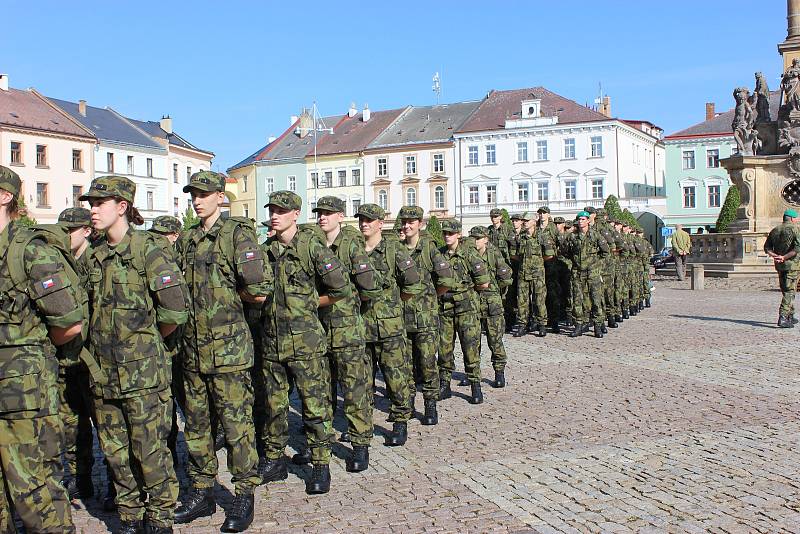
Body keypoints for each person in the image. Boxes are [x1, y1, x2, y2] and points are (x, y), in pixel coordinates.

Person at [81, 175, 188, 533]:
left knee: (149, 450)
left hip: (143, 374)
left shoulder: (149, 249)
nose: (93, 210)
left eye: (100, 204)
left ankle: (159, 517)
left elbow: (173, 311)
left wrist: (146, 344)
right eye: (91, 204)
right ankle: (129, 514)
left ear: (122, 207)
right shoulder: (94, 254)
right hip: (103, 374)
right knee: (114, 452)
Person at [175, 171, 269, 532]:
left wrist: (230, 297)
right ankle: (201, 492)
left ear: (219, 196)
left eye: (203, 194)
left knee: (236, 427)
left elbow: (259, 290)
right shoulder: (186, 239)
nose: (196, 200)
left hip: (228, 353)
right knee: (197, 427)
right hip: (193, 352)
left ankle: (244, 493)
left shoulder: (236, 235)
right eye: (193, 195)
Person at [0, 165, 81, 533]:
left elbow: (69, 322)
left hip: (25, 398)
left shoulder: (31, 250)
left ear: (5, 196)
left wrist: (32, 360)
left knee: (36, 496)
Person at [258, 191, 348, 495]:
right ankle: (274, 460)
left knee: (315, 407)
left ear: (295, 214)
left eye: (282, 210)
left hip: (306, 344)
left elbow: (340, 288)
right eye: (272, 210)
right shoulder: (264, 251)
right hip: (272, 343)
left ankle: (320, 464)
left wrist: (312, 302)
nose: (275, 215)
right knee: (274, 406)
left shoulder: (313, 248)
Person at [292, 197, 379, 467]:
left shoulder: (351, 246)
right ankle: (320, 441)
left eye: (328, 213)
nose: (322, 218)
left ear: (340, 216)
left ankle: (360, 443)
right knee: (320, 393)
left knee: (354, 390)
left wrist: (350, 309)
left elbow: (370, 288)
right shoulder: (311, 245)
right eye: (319, 213)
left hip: (346, 332)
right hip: (316, 330)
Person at [357, 204, 425, 446]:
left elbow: (413, 284)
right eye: (361, 219)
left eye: (369, 220)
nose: (364, 223)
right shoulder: (353, 250)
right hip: (361, 326)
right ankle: (361, 425)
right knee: (361, 381)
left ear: (380, 222)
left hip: (390, 328)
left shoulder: (393, 249)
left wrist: (394, 304)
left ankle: (399, 422)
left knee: (395, 377)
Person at [55, 207, 96, 501]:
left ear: (86, 231)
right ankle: (81, 479)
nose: (65, 236)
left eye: (70, 231)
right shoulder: (58, 263)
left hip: (93, 357)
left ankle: (118, 489)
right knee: (72, 425)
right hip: (68, 358)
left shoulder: (97, 262)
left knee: (107, 428)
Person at [399, 206, 454, 419]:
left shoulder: (429, 249)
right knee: (407, 365)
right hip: (403, 317)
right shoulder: (398, 249)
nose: (407, 225)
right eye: (404, 221)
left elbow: (446, 280)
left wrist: (430, 298)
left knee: (428, 363)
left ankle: (430, 404)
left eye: (412, 221)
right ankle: (409, 404)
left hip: (426, 319)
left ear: (420, 224)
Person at [147, 216, 187, 472]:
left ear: (174, 235)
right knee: (166, 405)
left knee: (186, 401)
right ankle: (169, 450)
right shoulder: (155, 260)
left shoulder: (178, 260)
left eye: (164, 234)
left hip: (180, 343)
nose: (159, 239)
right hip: (164, 348)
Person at [437, 219, 490, 404]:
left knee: (470, 348)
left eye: (450, 233)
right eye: (445, 233)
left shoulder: (469, 254)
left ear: (458, 234)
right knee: (444, 349)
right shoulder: (440, 254)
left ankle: (475, 386)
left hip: (466, 309)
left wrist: (465, 293)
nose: (447, 236)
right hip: (445, 309)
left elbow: (483, 282)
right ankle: (445, 385)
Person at [470, 226, 513, 388]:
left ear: (486, 239)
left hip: (492, 304)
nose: (475, 241)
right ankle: (473, 374)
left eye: (478, 238)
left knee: (495, 341)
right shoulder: (469, 254)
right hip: (473, 303)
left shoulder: (494, 254)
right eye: (473, 238)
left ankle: (499, 373)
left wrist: (494, 290)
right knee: (473, 342)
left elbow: (506, 277)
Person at [564, 211, 610, 338]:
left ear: (588, 221)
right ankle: (579, 324)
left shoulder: (596, 236)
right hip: (578, 273)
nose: (580, 222)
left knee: (596, 300)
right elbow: (564, 253)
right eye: (579, 219)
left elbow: (606, 253)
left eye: (583, 219)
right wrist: (570, 264)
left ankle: (597, 326)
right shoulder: (572, 237)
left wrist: (597, 265)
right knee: (578, 300)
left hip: (592, 272)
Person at [513, 213, 554, 337]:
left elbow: (549, 255)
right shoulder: (520, 237)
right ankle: (522, 325)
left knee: (539, 300)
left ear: (533, 222)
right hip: (523, 273)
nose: (524, 222)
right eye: (523, 220)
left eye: (527, 220)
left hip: (537, 274)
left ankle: (541, 324)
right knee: (522, 301)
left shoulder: (542, 236)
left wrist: (538, 264)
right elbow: (515, 254)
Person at [764, 209, 800, 328]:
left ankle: (790, 315)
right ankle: (783, 317)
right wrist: (784, 257)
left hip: (779, 265)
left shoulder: (775, 230)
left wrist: (776, 256)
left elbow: (767, 248)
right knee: (790, 291)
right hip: (792, 265)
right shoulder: (795, 229)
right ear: (791, 218)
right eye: (797, 218)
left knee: (785, 289)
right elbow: (797, 248)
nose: (798, 219)